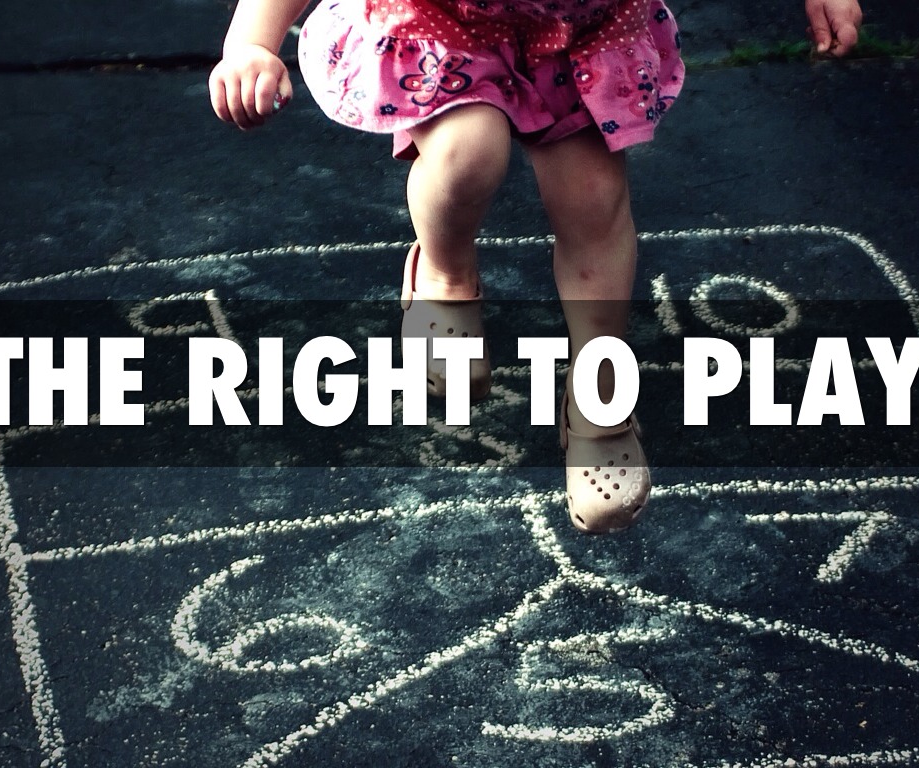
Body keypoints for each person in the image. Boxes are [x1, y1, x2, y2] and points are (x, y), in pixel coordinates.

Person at [209, 0, 863, 533]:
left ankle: (601, 398)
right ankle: (444, 274)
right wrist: (252, 41)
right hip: (447, 25)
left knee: (592, 199)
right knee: (468, 150)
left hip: (583, 30)